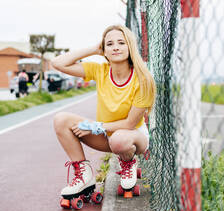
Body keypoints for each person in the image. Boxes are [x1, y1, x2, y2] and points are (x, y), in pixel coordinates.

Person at [51, 25, 156, 200]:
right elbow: (57, 63)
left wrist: (95, 127)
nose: (116, 47)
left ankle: (128, 162)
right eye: (110, 44)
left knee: (120, 139)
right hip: (107, 135)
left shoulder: (143, 80)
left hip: (134, 137)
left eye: (121, 43)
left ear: (130, 47)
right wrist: (94, 49)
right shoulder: (100, 71)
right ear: (104, 50)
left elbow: (130, 123)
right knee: (61, 119)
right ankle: (84, 175)